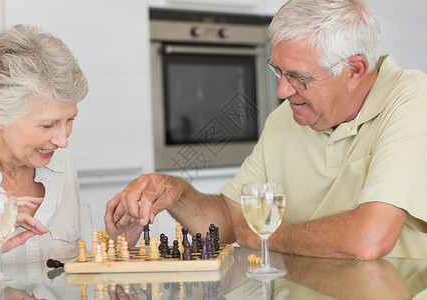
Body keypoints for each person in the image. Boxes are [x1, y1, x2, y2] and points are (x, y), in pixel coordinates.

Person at [105, 0, 427, 259]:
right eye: (277, 71)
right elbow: (230, 222)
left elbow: (370, 239)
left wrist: (264, 234)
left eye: (298, 77)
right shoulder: (286, 118)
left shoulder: (411, 98)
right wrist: (175, 192)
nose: (281, 92)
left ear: (354, 70)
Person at [0, 24, 88, 266]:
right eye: (48, 125)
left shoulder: (59, 160)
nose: (63, 141)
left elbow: (68, 270)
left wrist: (119, 239)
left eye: (70, 120)